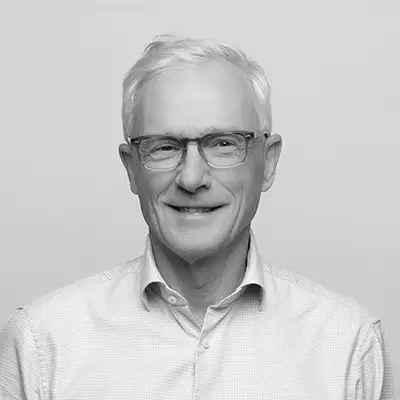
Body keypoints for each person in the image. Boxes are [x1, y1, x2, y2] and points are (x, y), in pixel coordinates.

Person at [0, 34, 394, 400]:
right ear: (131, 168)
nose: (191, 178)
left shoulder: (347, 344)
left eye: (224, 143)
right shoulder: (43, 343)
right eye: (164, 146)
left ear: (269, 163)